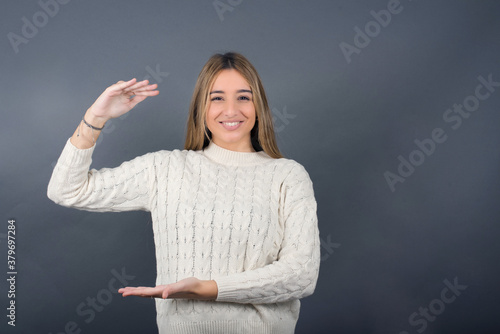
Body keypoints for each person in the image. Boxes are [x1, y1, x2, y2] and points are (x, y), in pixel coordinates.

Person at [47, 52, 320, 334]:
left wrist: (208, 289)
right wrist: (96, 117)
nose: (230, 110)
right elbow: (66, 190)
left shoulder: (288, 176)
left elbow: (301, 275)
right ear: (200, 107)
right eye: (217, 98)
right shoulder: (165, 169)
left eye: (243, 97)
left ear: (258, 105)